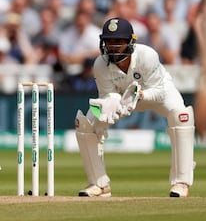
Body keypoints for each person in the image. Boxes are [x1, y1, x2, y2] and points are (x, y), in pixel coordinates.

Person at [75, 17, 195, 198]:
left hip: (155, 93)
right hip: (123, 100)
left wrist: (139, 96)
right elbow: (107, 95)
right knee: (87, 124)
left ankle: (181, 183)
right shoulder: (100, 64)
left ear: (130, 42)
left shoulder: (147, 55)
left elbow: (160, 91)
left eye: (118, 42)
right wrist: (112, 102)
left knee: (181, 116)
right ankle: (99, 184)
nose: (113, 47)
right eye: (109, 41)